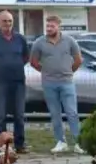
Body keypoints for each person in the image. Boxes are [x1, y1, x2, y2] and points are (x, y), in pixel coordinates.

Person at [30, 15, 83, 154]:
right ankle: (61, 142)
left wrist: (69, 72)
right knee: (55, 114)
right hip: (49, 84)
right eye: (47, 26)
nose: (49, 28)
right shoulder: (39, 42)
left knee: (72, 113)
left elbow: (78, 60)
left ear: (59, 27)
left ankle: (78, 142)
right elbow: (33, 62)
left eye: (52, 26)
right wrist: (46, 71)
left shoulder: (70, 41)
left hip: (67, 82)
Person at [0, 10, 30, 153]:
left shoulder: (20, 39)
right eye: (4, 21)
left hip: (18, 81)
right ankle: (2, 145)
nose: (7, 23)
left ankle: (20, 145)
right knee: (1, 115)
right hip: (0, 82)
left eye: (10, 21)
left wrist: (14, 66)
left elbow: (25, 58)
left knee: (19, 115)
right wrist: (1, 68)